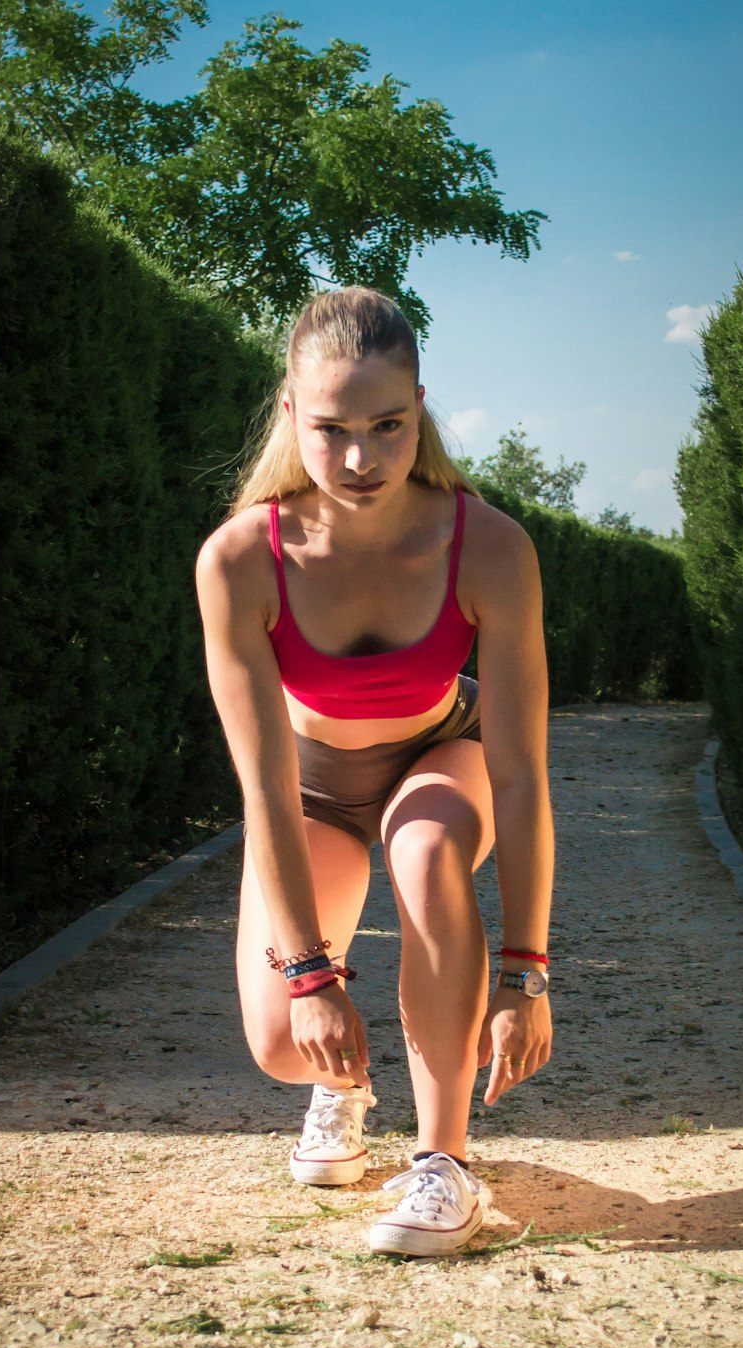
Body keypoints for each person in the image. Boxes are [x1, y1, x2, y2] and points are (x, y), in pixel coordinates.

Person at [195, 287, 553, 1255]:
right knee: (280, 1039)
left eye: (388, 425)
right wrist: (312, 977)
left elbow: (520, 773)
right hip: (307, 790)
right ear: (289, 418)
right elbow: (263, 787)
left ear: (422, 408)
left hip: (443, 754)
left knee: (430, 849)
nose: (361, 458)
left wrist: (528, 973)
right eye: (333, 429)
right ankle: (342, 1089)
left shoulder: (489, 545)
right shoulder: (237, 560)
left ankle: (445, 1167)